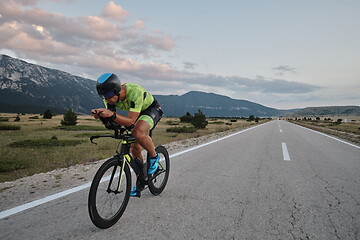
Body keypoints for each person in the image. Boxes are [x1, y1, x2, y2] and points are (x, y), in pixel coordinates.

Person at [91, 73, 163, 197]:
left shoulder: (135, 92)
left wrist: (111, 115)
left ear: (117, 90)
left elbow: (130, 121)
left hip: (151, 109)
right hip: (134, 114)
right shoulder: (109, 98)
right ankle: (141, 181)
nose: (107, 99)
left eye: (108, 95)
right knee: (134, 148)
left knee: (137, 132)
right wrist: (103, 117)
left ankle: (154, 156)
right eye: (104, 96)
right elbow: (113, 120)